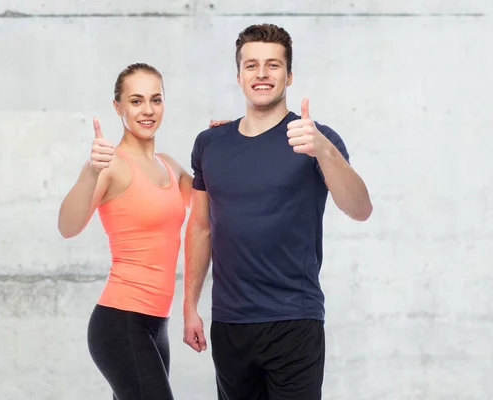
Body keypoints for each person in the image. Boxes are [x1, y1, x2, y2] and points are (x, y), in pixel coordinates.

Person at [182, 24, 373, 400]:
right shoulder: (210, 143)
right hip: (230, 323)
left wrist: (324, 151)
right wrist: (189, 306)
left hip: (294, 320)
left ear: (289, 75)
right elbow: (201, 228)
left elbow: (360, 209)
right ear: (239, 76)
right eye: (251, 65)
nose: (262, 73)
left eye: (273, 65)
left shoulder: (316, 138)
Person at [57, 63, 191, 400]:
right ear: (118, 107)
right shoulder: (111, 163)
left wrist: (225, 140)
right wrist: (90, 172)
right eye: (136, 101)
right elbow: (67, 227)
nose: (147, 110)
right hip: (121, 321)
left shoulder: (169, 165)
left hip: (156, 325)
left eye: (156, 100)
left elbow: (215, 201)